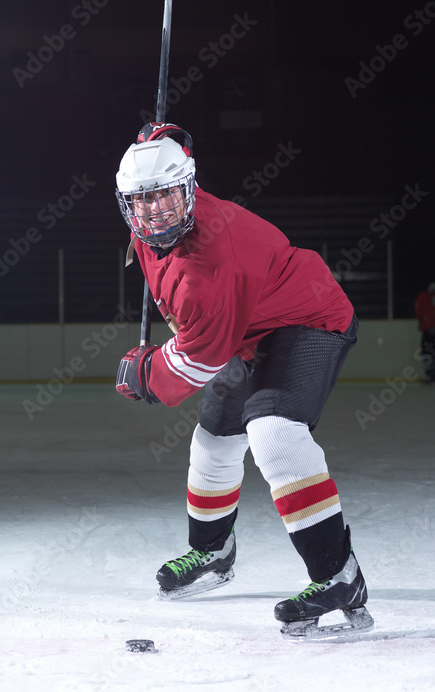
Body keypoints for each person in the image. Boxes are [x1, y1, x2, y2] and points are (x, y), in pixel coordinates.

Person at [114, 122, 371, 636]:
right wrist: (160, 140)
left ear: (188, 190)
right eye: (143, 201)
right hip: (246, 329)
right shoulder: (158, 222)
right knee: (214, 439)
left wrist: (146, 372)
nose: (156, 211)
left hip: (307, 319)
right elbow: (176, 150)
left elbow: (197, 361)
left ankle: (338, 575)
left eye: (165, 196)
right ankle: (212, 552)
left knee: (273, 432)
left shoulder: (209, 262)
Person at [414, 282, 435, 384]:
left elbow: (418, 311)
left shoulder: (424, 296)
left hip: (430, 327)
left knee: (426, 352)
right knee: (433, 352)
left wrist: (421, 322)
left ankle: (431, 376)